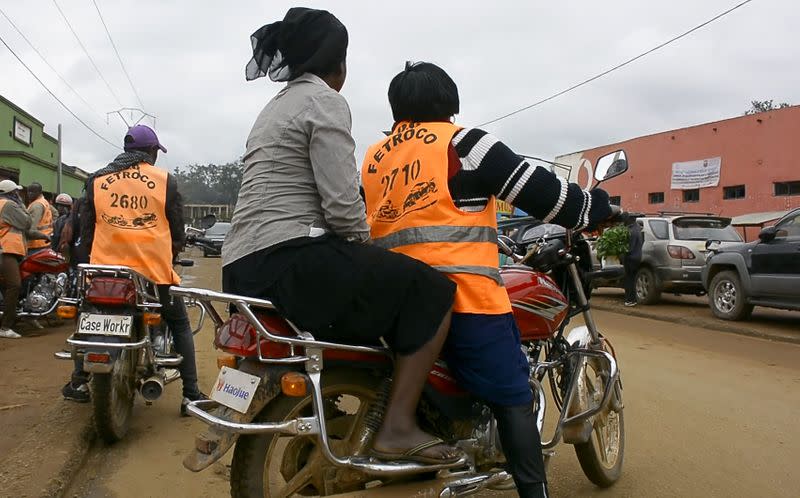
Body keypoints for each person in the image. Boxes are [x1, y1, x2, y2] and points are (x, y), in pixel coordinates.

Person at [361, 62, 616, 498]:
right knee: (513, 393)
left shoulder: (374, 157)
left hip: (391, 299)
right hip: (462, 298)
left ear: (397, 107)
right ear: (449, 104)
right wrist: (599, 206)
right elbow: (548, 197)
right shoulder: (464, 144)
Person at [222, 8, 460, 464]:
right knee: (432, 291)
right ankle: (396, 428)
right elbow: (342, 208)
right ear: (340, 64)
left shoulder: (273, 109)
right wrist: (366, 242)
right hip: (289, 259)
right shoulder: (325, 102)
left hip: (241, 266)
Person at [62, 125, 206, 412]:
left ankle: (79, 379)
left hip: (105, 272)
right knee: (178, 321)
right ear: (151, 152)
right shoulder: (165, 181)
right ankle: (191, 393)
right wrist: (171, 253)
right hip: (152, 274)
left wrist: (95, 259)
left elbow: (88, 231)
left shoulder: (98, 180)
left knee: (90, 315)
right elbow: (177, 231)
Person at [0, 180, 48, 338]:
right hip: (5, 251)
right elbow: (27, 223)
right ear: (11, 193)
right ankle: (5, 327)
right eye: (17, 192)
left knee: (23, 282)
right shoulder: (9, 205)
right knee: (14, 285)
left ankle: (25, 314)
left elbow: (23, 231)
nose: (20, 195)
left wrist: (43, 236)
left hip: (10, 250)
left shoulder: (5, 205)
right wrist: (21, 204)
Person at [26, 182, 53, 253]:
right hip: (44, 242)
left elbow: (31, 229)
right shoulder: (44, 202)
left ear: (39, 192)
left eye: (33, 192)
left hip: (36, 244)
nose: (29, 194)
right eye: (28, 191)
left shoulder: (37, 205)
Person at [623, 214, 643, 306]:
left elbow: (629, 248)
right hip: (636, 257)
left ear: (630, 220)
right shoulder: (637, 229)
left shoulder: (632, 231)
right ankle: (632, 299)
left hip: (631, 258)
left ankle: (630, 300)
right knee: (632, 279)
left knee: (629, 279)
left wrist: (621, 252)